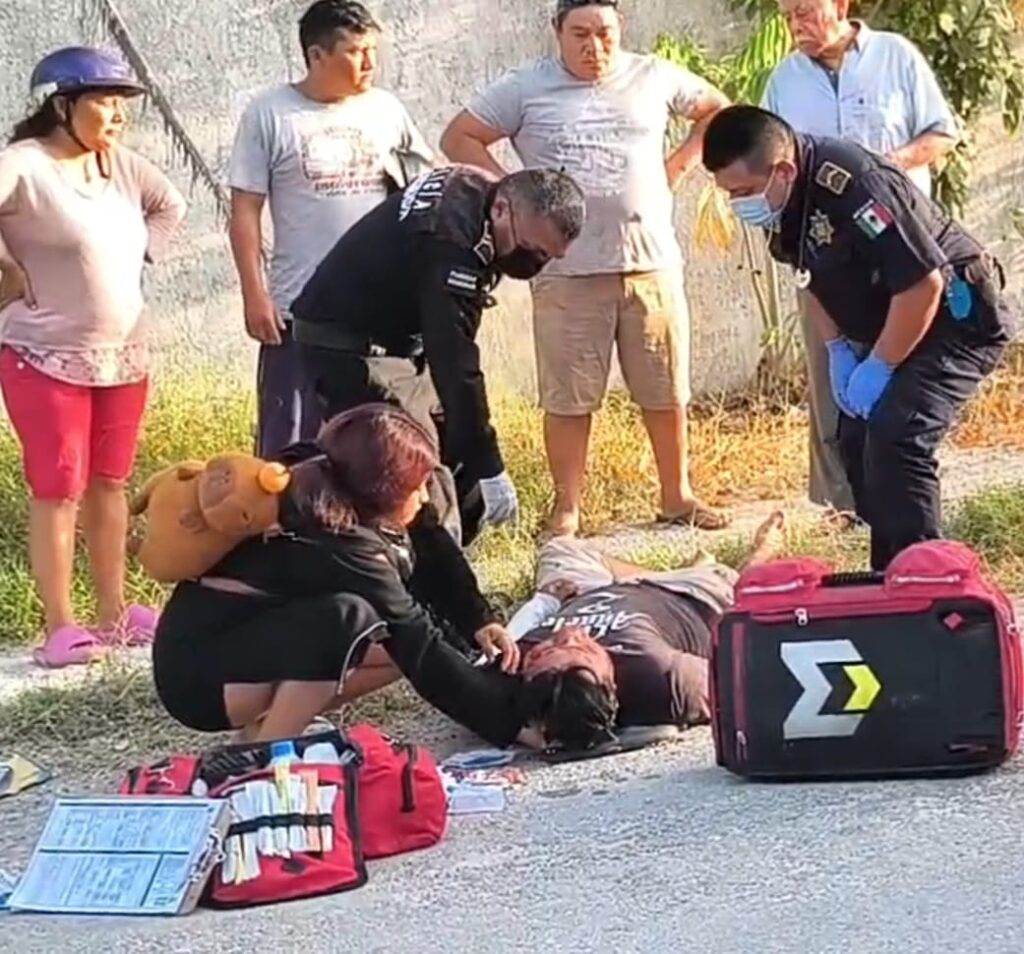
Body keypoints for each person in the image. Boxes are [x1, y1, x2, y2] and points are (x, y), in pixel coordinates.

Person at [440, 0, 731, 536]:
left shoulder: (652, 75)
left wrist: (677, 166)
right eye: (580, 34)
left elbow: (717, 110)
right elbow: (458, 137)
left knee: (665, 388)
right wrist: (515, 196)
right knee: (569, 397)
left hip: (649, 262)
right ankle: (567, 508)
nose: (594, 46)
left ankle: (677, 495)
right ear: (557, 32)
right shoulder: (525, 87)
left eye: (604, 32)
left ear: (621, 29)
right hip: (566, 273)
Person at [703, 106, 1010, 570]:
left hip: (955, 316)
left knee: (898, 434)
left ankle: (926, 579)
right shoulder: (785, 200)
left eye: (743, 192)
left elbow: (922, 284)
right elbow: (809, 277)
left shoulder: (854, 184)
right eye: (730, 194)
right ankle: (888, 569)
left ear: (783, 170)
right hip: (895, 319)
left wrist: (881, 365)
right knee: (855, 439)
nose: (737, 204)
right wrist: (838, 349)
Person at [152, 404, 523, 743]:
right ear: (382, 489)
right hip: (197, 679)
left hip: (228, 640)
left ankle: (264, 729)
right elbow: (418, 643)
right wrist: (509, 723)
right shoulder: (336, 534)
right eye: (418, 488)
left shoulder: (330, 470)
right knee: (350, 619)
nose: (426, 497)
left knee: (398, 639)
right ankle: (265, 751)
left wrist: (478, 619)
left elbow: (429, 538)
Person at [0, 47, 186, 669]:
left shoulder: (120, 165)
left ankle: (114, 614)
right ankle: (59, 626)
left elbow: (171, 204)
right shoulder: (24, 164)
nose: (118, 114)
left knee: (110, 483)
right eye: (104, 102)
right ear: (62, 106)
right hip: (42, 355)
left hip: (123, 357)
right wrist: (7, 267)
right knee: (59, 488)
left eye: (121, 102)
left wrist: (140, 255)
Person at [291, 165, 585, 544]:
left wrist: (474, 447)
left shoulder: (478, 192)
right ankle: (426, 568)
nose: (533, 265)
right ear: (501, 210)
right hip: (348, 341)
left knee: (455, 439)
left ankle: (454, 553)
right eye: (532, 249)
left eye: (548, 257)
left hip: (397, 338)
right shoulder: (452, 240)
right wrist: (489, 464)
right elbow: (455, 361)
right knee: (416, 461)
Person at [761, 0, 959, 515]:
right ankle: (843, 504)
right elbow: (770, 160)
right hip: (825, 257)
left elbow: (942, 132)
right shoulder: (784, 81)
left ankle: (909, 492)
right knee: (833, 381)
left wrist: (882, 169)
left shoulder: (895, 56)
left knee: (907, 374)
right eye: (788, 16)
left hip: (899, 252)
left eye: (805, 11)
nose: (797, 25)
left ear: (840, 6)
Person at [228, 0, 433, 458]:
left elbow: (421, 192)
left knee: (375, 443)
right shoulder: (269, 113)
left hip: (377, 313)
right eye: (356, 51)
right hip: (298, 310)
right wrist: (254, 294)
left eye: (373, 50)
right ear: (316, 55)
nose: (369, 62)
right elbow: (245, 209)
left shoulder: (386, 110)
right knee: (290, 448)